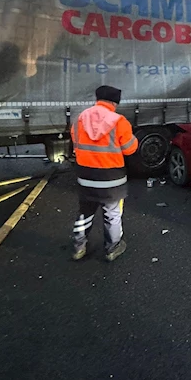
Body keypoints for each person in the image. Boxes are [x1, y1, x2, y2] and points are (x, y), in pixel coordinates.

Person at [70, 85, 138, 261]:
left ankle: (79, 248)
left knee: (85, 213)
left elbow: (76, 144)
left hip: (86, 177)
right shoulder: (119, 121)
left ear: (97, 99)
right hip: (111, 180)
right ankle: (112, 248)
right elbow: (130, 149)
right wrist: (134, 139)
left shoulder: (80, 119)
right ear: (115, 102)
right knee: (112, 214)